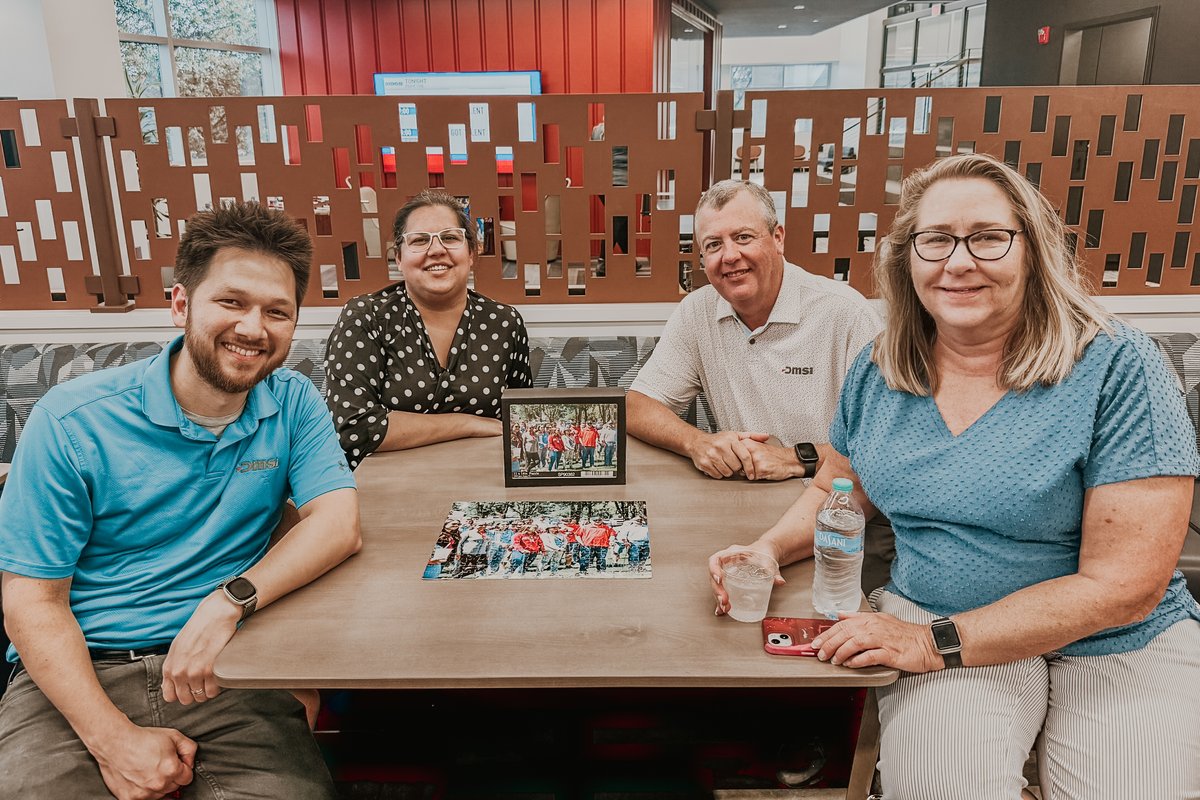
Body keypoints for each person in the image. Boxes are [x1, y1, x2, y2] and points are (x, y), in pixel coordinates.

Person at [708, 153, 1200, 799]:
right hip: (940, 610)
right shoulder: (881, 367)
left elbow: (1126, 586)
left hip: (1114, 641)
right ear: (906, 257)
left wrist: (928, 642)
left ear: (1034, 246)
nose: (958, 261)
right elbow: (839, 487)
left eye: (988, 237)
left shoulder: (1119, 365)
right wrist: (768, 549)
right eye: (935, 239)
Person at [0, 202, 361, 798]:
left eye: (277, 312)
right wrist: (113, 739)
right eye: (232, 302)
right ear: (180, 304)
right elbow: (31, 603)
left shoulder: (292, 399)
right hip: (74, 678)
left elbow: (338, 522)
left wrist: (229, 602)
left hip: (222, 667)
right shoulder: (70, 422)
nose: (254, 328)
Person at [628, 180, 881, 482]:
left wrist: (794, 459)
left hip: (834, 502)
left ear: (777, 238)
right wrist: (697, 442)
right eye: (713, 245)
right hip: (748, 498)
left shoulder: (848, 315)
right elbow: (636, 406)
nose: (730, 255)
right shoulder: (698, 311)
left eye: (743, 237)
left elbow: (884, 443)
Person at [324, 189, 534, 469]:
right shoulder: (366, 317)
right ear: (398, 257)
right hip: (386, 489)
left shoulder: (504, 322)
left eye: (450, 237)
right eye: (420, 240)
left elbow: (519, 421)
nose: (436, 250)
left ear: (471, 253)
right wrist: (468, 423)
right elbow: (353, 427)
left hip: (483, 481)